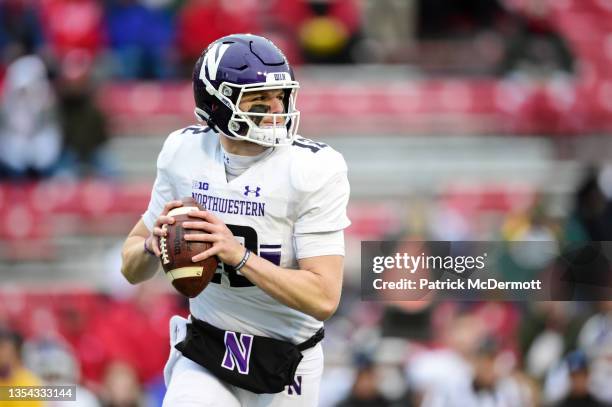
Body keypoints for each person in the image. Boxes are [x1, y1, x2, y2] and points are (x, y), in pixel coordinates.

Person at [120, 33, 350, 407]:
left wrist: (238, 255)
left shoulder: (312, 168)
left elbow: (324, 297)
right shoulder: (183, 153)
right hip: (207, 349)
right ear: (217, 104)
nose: (276, 110)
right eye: (259, 101)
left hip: (287, 360)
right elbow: (131, 270)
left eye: (281, 97)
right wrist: (151, 244)